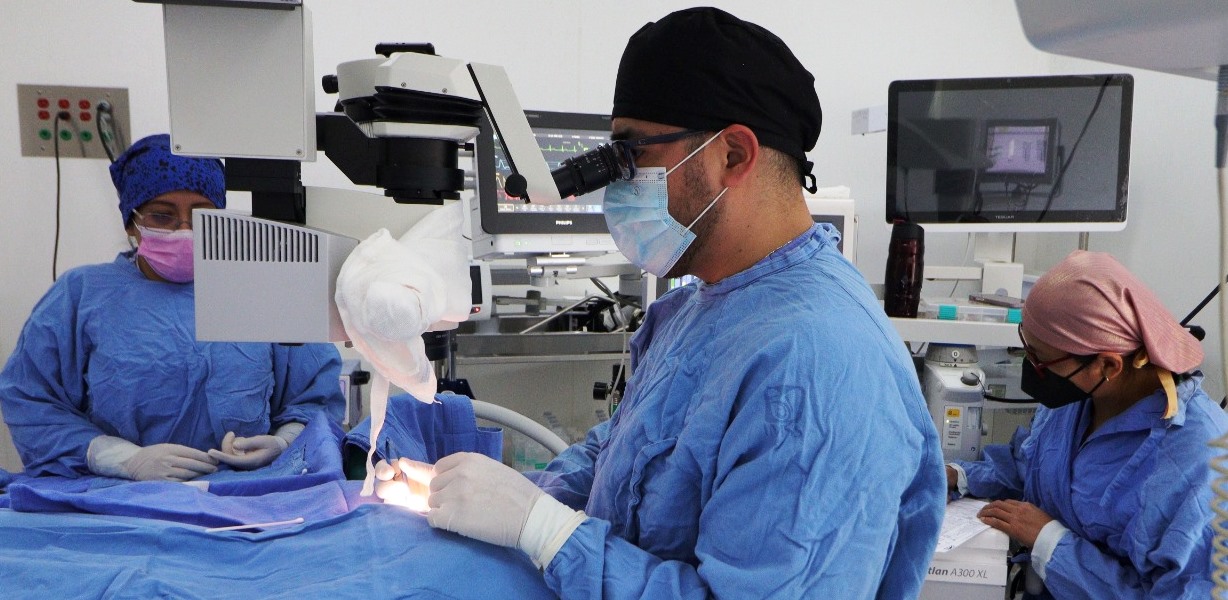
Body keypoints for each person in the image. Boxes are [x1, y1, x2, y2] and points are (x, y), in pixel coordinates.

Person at [380, 8, 945, 598]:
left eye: (632, 156)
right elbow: (625, 457)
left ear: (733, 155)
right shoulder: (702, 306)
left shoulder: (816, 365)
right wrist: (500, 495)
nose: (617, 185)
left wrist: (544, 530)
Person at [0, 134, 346, 482]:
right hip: (118, 497)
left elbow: (316, 396)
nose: (184, 230)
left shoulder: (265, 289)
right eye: (162, 216)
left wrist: (284, 442)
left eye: (202, 215)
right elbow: (31, 401)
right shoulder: (81, 296)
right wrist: (120, 459)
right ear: (131, 222)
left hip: (247, 494)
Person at [947, 250, 1228, 599]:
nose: (1031, 368)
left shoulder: (1200, 464)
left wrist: (1051, 542)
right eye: (1026, 349)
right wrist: (958, 476)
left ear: (1108, 366)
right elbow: (1031, 464)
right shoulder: (1079, 397)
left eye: (1039, 360)